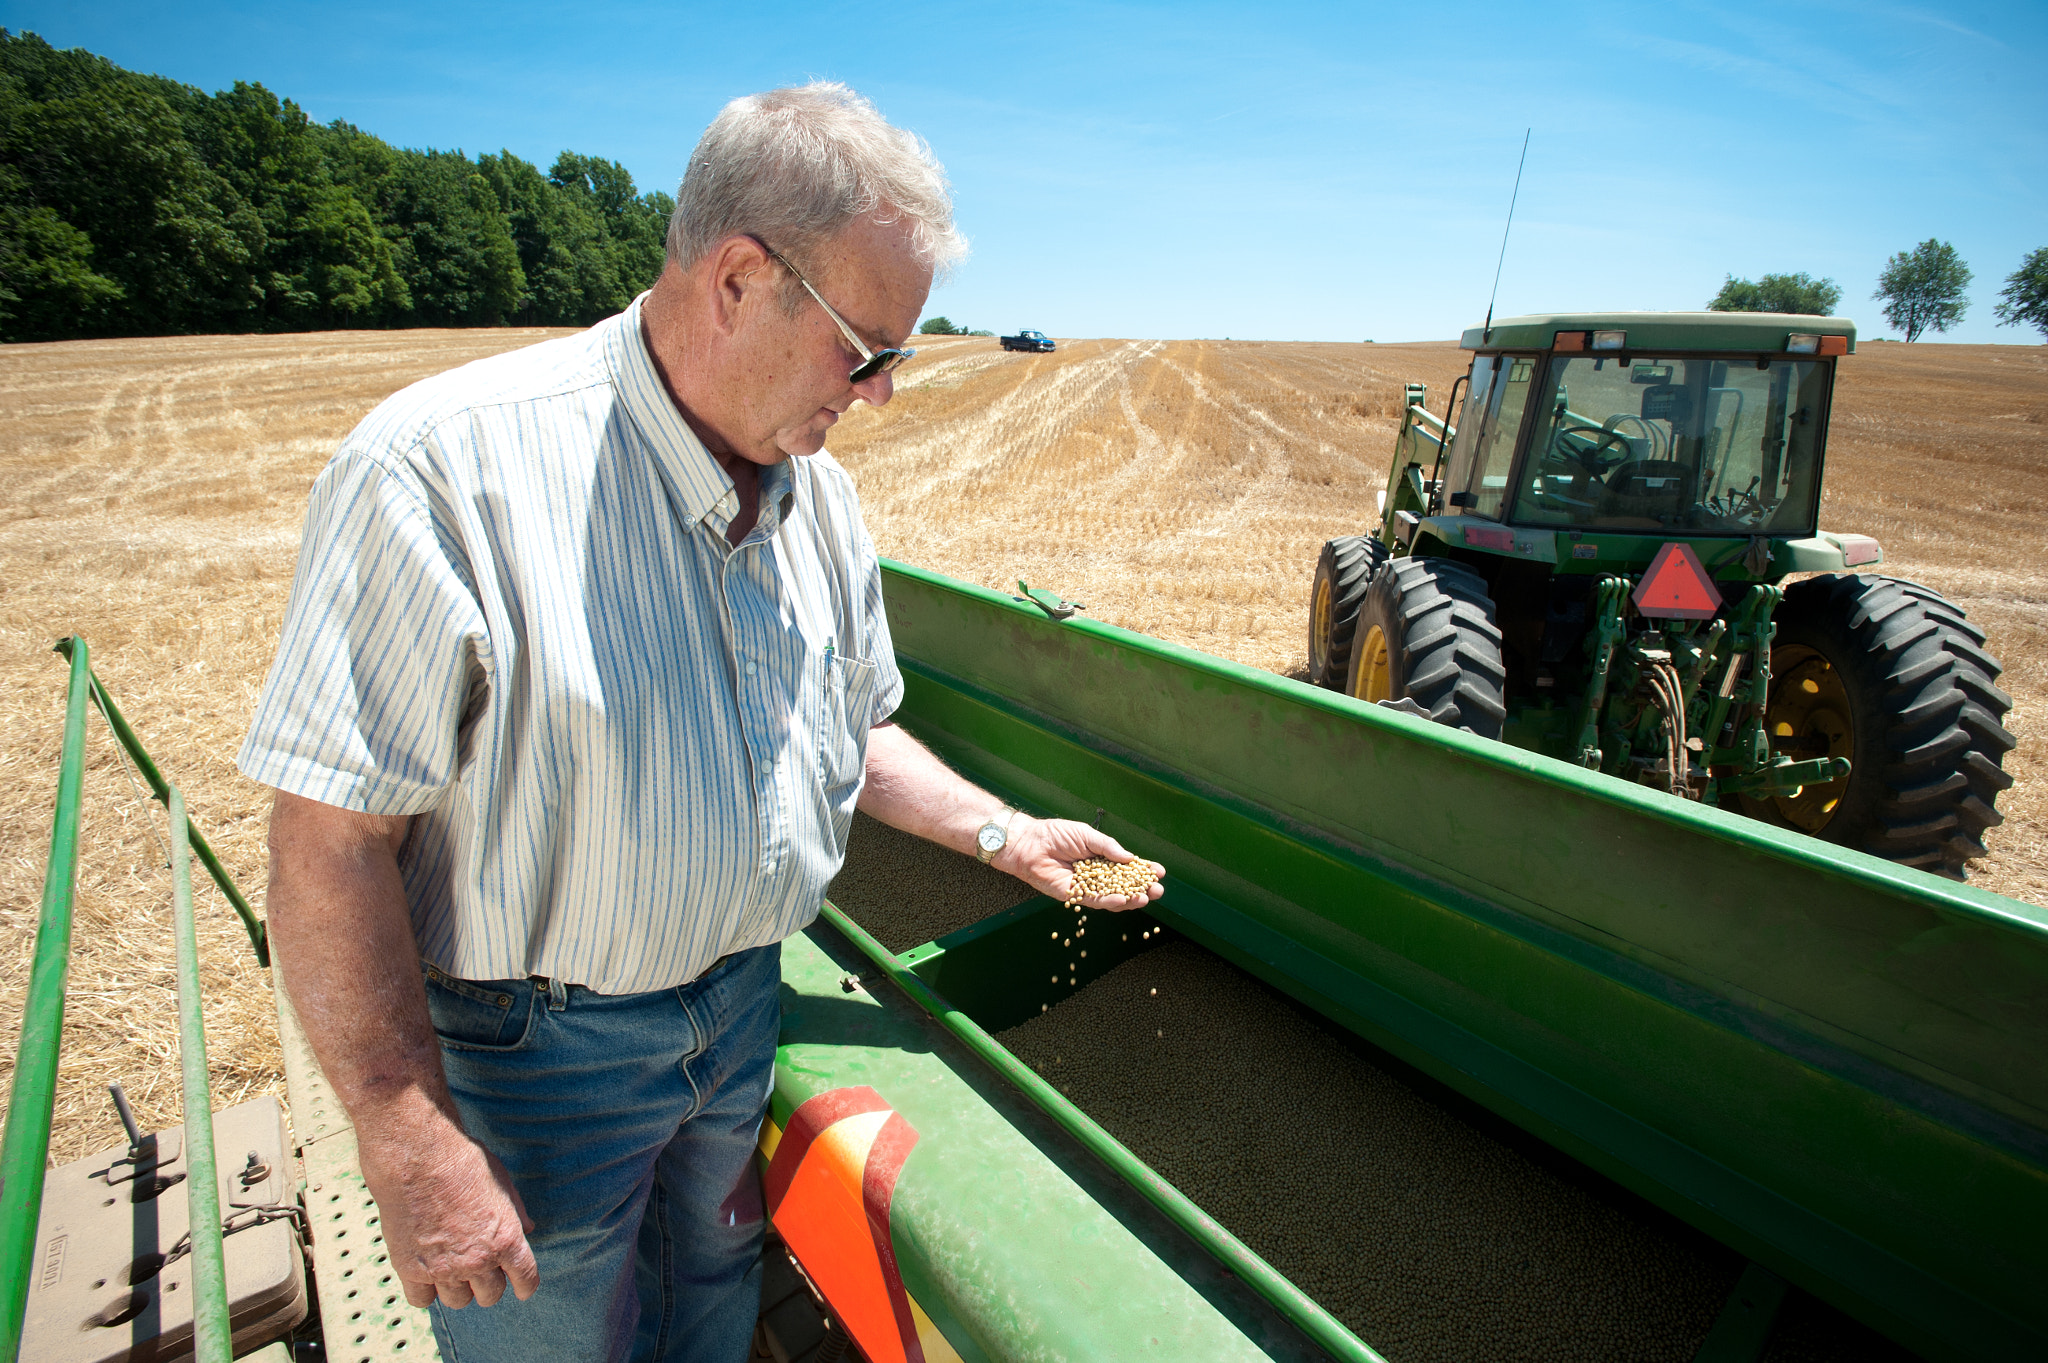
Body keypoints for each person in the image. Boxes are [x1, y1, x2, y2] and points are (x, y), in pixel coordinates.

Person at [240, 83, 1163, 1363]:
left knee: (708, 1317)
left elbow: (847, 730)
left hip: (737, 1011)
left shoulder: (819, 501)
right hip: (537, 1063)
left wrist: (1004, 836)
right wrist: (405, 1131)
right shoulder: (444, 472)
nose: (881, 394)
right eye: (869, 349)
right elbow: (328, 838)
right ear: (739, 278)